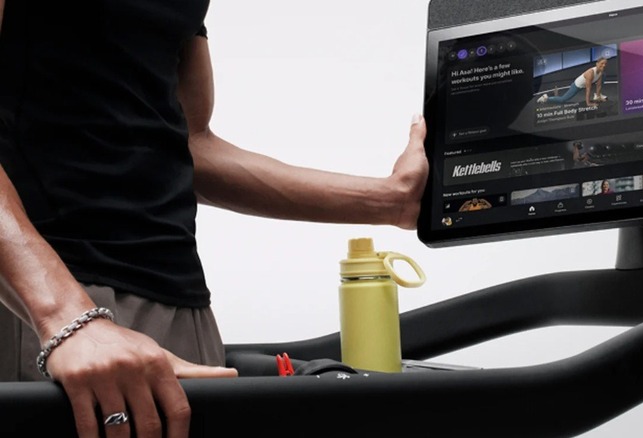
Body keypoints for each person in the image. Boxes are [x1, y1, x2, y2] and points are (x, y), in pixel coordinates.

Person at [0, 2, 428, 437]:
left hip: (179, 306)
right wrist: (65, 321)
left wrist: (389, 201)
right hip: (44, 305)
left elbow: (188, 144)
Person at [537, 57, 609, 106]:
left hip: (586, 84)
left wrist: (598, 96)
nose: (604, 65)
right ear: (597, 63)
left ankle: (597, 96)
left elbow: (599, 85)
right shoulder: (590, 73)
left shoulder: (601, 72)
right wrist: (588, 103)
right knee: (563, 100)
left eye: (605, 64)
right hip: (577, 86)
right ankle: (545, 98)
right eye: (602, 63)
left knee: (604, 75)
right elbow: (588, 89)